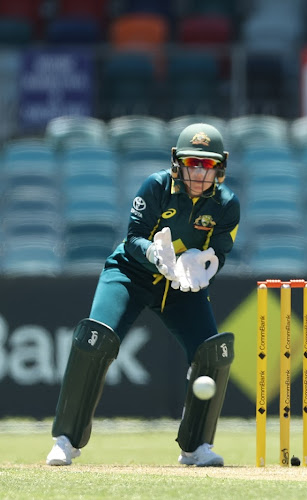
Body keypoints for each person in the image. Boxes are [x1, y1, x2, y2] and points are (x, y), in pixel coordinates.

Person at [46, 123, 241, 467]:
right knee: (95, 339)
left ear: (220, 167)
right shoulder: (156, 186)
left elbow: (219, 252)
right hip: (132, 273)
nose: (198, 173)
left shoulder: (226, 205)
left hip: (180, 286)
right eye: (192, 163)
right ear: (177, 163)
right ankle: (66, 440)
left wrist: (204, 264)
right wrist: (153, 253)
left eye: (207, 165)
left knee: (213, 352)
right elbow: (134, 235)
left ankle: (195, 447)